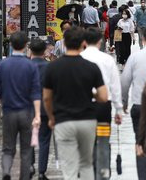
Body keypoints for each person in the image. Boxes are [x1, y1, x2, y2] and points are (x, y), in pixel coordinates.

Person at [43, 27, 108, 180]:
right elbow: (104, 97)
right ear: (83, 43)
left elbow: (46, 97)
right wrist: (91, 93)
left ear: (64, 43)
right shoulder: (91, 67)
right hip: (87, 120)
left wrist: (52, 118)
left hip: (63, 121)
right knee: (86, 163)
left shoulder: (52, 67)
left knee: (69, 167)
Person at [0, 31, 42, 180]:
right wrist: (38, 115)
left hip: (9, 112)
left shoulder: (2, 64)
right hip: (27, 112)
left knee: (8, 148)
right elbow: (35, 92)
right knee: (26, 150)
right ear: (25, 45)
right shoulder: (30, 65)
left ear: (11, 45)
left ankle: (7, 171)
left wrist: (3, 106)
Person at [121, 24, 146, 180]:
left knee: (141, 143)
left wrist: (124, 102)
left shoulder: (135, 57)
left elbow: (124, 82)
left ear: (143, 38)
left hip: (139, 106)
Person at [81, 28, 123, 179]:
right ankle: (103, 172)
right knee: (103, 140)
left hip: (83, 107)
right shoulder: (107, 60)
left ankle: (87, 172)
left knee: (85, 141)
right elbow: (115, 86)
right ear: (100, 41)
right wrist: (119, 110)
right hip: (103, 107)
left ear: (84, 42)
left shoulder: (79, 58)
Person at [28, 39, 52, 180]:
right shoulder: (49, 67)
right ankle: (42, 171)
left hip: (27, 108)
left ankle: (30, 165)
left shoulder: (24, 66)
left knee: (28, 138)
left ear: (30, 51)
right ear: (44, 51)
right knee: (44, 140)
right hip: (44, 108)